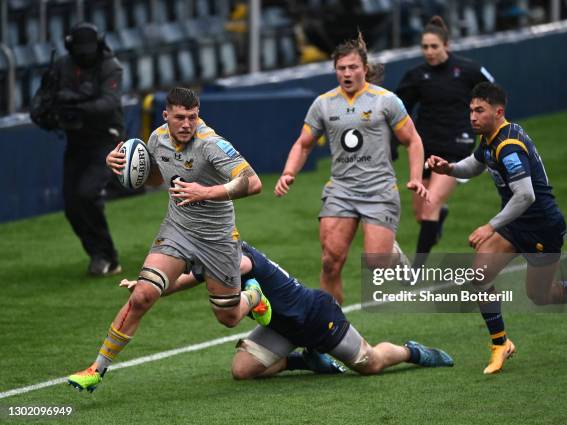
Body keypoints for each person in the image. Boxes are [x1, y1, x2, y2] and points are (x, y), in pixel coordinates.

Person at [67, 87, 269, 393]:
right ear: (166, 116)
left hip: (217, 238)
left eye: (192, 116)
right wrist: (122, 168)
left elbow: (253, 182)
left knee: (228, 317)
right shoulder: (157, 138)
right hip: (178, 230)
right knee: (143, 295)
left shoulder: (211, 144)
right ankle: (97, 369)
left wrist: (206, 191)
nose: (187, 124)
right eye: (180, 118)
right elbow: (156, 178)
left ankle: (253, 296)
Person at [428, 82, 567, 374]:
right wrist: (448, 168)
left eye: (479, 111)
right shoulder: (491, 137)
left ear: (499, 112)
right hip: (515, 224)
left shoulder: (508, 146)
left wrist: (490, 225)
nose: (472, 116)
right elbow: (475, 165)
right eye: (471, 110)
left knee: (540, 295)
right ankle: (501, 344)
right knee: (479, 275)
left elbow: (526, 195)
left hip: (542, 229)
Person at [123, 241, 454, 380]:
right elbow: (183, 280)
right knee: (242, 371)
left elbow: (233, 266)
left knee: (370, 364)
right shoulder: (212, 259)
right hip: (280, 327)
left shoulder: (235, 256)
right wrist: (152, 285)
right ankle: (305, 360)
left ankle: (413, 352)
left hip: (315, 316)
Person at [274, 33, 427, 305]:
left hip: (379, 189)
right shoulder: (323, 104)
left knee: (377, 265)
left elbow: (413, 140)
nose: (347, 73)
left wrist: (416, 178)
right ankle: (331, 327)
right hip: (341, 190)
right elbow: (303, 144)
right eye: (341, 68)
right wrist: (288, 173)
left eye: (353, 67)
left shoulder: (386, 100)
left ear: (365, 69)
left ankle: (393, 254)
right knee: (330, 261)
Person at [395, 16, 494, 269]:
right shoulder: (417, 76)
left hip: (456, 146)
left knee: (430, 205)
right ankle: (439, 219)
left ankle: (416, 269)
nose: (429, 52)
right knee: (421, 214)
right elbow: (397, 110)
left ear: (446, 46)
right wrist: (393, 143)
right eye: (425, 47)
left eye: (434, 46)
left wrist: (490, 130)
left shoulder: (468, 70)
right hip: (425, 147)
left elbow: (493, 94)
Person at [41, 22, 125, 276]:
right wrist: (49, 110)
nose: (86, 55)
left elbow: (109, 104)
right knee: (72, 205)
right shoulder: (62, 66)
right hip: (76, 140)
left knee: (87, 194)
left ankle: (108, 256)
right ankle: (97, 253)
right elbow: (46, 99)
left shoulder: (111, 67)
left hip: (106, 141)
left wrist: (77, 104)